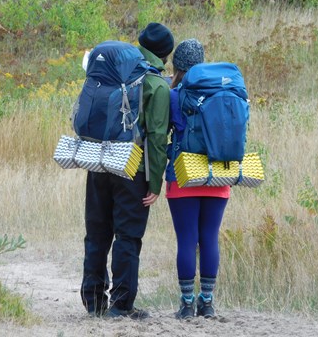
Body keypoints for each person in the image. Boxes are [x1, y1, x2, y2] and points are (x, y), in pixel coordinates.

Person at [80, 22, 174, 319]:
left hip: (99, 159)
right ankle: (121, 305)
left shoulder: (115, 72)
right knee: (128, 235)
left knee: (97, 233)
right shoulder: (156, 84)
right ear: (165, 55)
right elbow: (158, 138)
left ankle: (93, 302)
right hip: (132, 166)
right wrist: (155, 181)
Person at [165, 38, 230, 319]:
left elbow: (162, 132)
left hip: (183, 175)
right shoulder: (222, 90)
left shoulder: (174, 95)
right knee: (209, 238)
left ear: (178, 66)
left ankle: (187, 304)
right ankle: (207, 302)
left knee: (187, 240)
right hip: (218, 175)